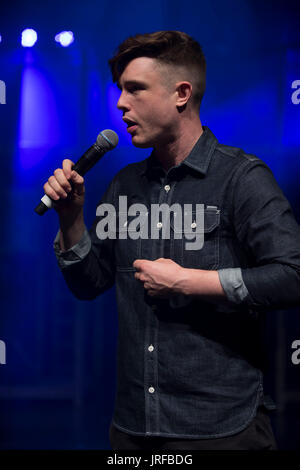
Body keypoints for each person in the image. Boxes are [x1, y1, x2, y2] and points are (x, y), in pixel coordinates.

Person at [45, 31, 300, 450]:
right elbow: (89, 284)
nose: (121, 104)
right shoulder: (125, 185)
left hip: (221, 429)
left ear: (181, 94)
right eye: (120, 91)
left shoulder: (241, 178)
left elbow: (293, 275)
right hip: (134, 428)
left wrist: (188, 282)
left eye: (135, 89)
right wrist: (71, 219)